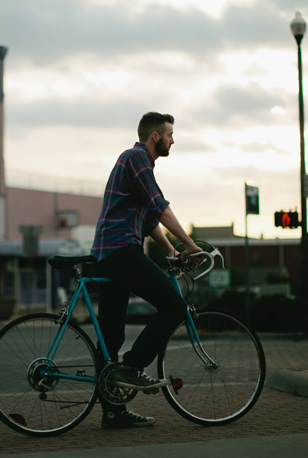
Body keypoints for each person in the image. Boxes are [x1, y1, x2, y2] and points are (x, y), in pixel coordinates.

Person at [90, 111, 202, 429]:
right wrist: (190, 244)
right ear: (155, 136)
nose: (172, 140)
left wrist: (169, 250)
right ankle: (132, 368)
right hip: (121, 251)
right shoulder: (136, 158)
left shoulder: (137, 164)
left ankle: (113, 412)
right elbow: (158, 205)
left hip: (109, 253)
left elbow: (149, 219)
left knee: (110, 336)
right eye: (169, 134)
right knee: (174, 306)